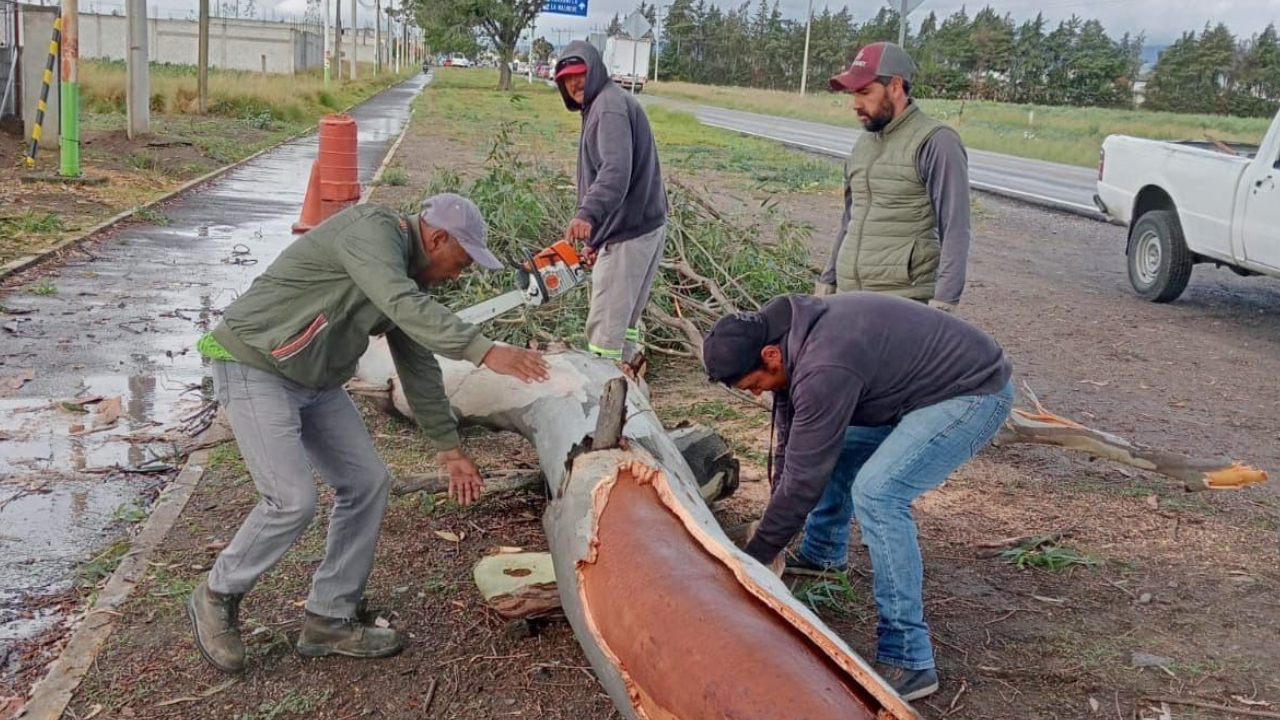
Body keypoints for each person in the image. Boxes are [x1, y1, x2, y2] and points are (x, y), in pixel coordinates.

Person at [188, 194, 549, 674]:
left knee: (366, 482)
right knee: (291, 500)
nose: (458, 275)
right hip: (258, 364)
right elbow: (401, 303)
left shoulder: (405, 274)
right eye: (460, 262)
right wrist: (483, 350)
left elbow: (417, 359)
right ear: (437, 238)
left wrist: (449, 449)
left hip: (314, 380)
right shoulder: (372, 232)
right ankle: (217, 594)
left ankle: (328, 617)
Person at [702, 292, 1014, 701]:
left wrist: (756, 558)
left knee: (879, 494)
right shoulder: (792, 337)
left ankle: (909, 657)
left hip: (971, 394)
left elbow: (804, 477)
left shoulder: (824, 364)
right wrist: (772, 528)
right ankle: (823, 556)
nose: (757, 394)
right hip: (913, 389)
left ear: (770, 355)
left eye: (754, 385)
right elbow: (793, 448)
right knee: (838, 442)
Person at [817, 42, 972, 314]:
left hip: (901, 302)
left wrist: (943, 306)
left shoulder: (936, 141)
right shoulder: (863, 144)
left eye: (865, 92)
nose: (856, 104)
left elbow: (955, 227)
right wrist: (827, 282)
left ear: (896, 87)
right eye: (854, 94)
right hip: (848, 297)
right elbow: (850, 219)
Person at [553, 40, 667, 374]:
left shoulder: (608, 108)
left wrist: (587, 216)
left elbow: (615, 172)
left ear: (595, 71)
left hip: (629, 235)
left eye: (580, 75)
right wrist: (596, 240)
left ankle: (602, 399)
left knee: (605, 333)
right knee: (624, 323)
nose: (574, 84)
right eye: (566, 79)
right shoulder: (606, 104)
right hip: (639, 228)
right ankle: (627, 390)